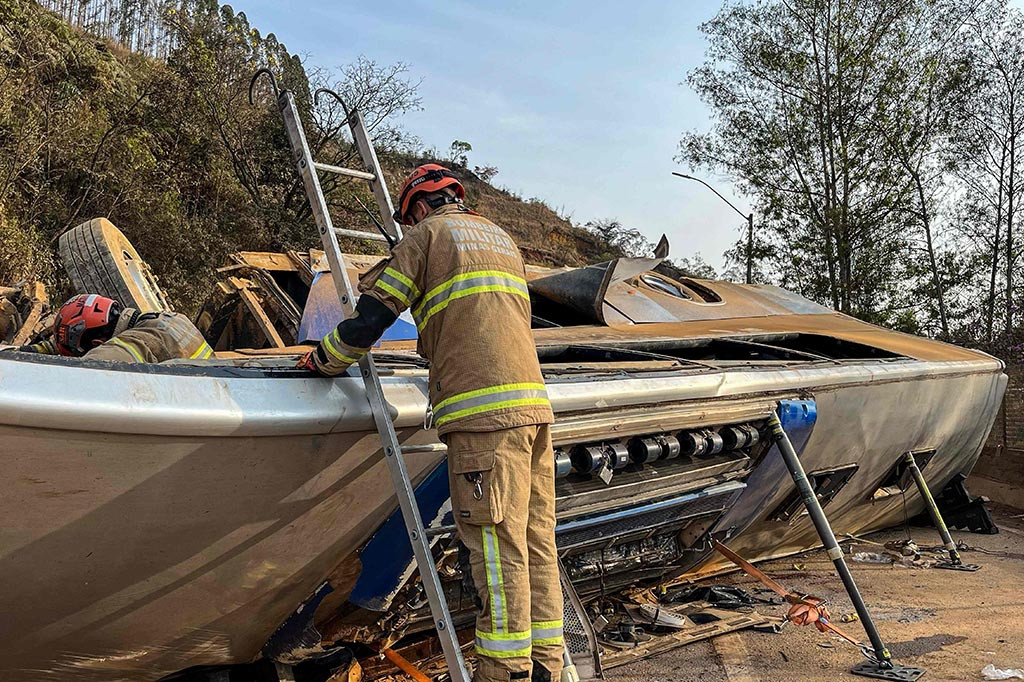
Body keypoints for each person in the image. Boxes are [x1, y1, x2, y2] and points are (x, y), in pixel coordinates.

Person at [298, 164, 564, 682]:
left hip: (482, 416)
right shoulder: (503, 239)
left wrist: (324, 360)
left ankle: (505, 672)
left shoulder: (426, 237)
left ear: (417, 208)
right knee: (536, 541)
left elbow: (372, 318)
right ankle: (547, 667)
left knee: (494, 543)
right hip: (534, 411)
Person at [16, 293, 213, 362]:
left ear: (97, 343)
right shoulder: (167, 318)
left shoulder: (125, 347)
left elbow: (80, 374)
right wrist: (51, 348)